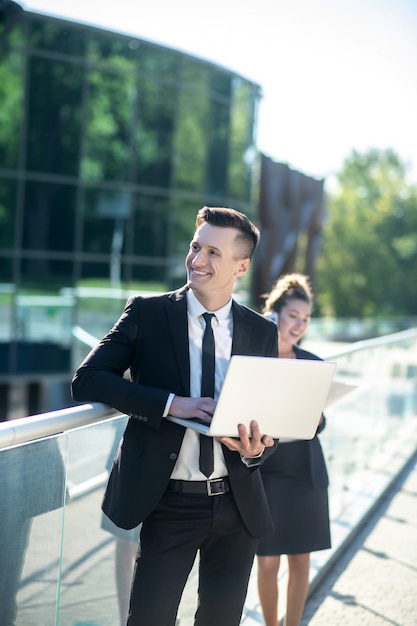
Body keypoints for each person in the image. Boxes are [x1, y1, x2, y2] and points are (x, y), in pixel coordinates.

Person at [71, 206, 279, 626]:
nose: (197, 260)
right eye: (195, 246)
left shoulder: (261, 331)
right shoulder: (147, 313)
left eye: (213, 253)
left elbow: (266, 420)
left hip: (238, 506)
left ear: (241, 266)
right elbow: (88, 379)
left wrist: (256, 449)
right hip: (169, 505)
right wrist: (171, 404)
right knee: (148, 619)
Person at [256, 273, 331, 626]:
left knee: (301, 559)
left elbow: (320, 423)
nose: (299, 325)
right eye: (293, 316)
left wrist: (315, 419)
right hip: (266, 469)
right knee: (267, 559)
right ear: (274, 313)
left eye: (305, 319)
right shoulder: (253, 360)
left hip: (304, 468)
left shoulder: (313, 363)